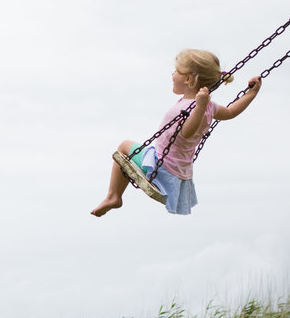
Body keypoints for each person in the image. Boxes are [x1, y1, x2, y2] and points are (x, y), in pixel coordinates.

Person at [91, 49, 262, 216]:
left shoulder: (198, 107)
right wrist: (252, 93)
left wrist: (200, 106)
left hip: (163, 167)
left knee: (124, 146)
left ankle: (113, 196)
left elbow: (187, 132)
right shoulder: (209, 106)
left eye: (176, 71)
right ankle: (114, 197)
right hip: (178, 171)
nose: (172, 75)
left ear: (188, 79)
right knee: (128, 155)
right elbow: (231, 112)